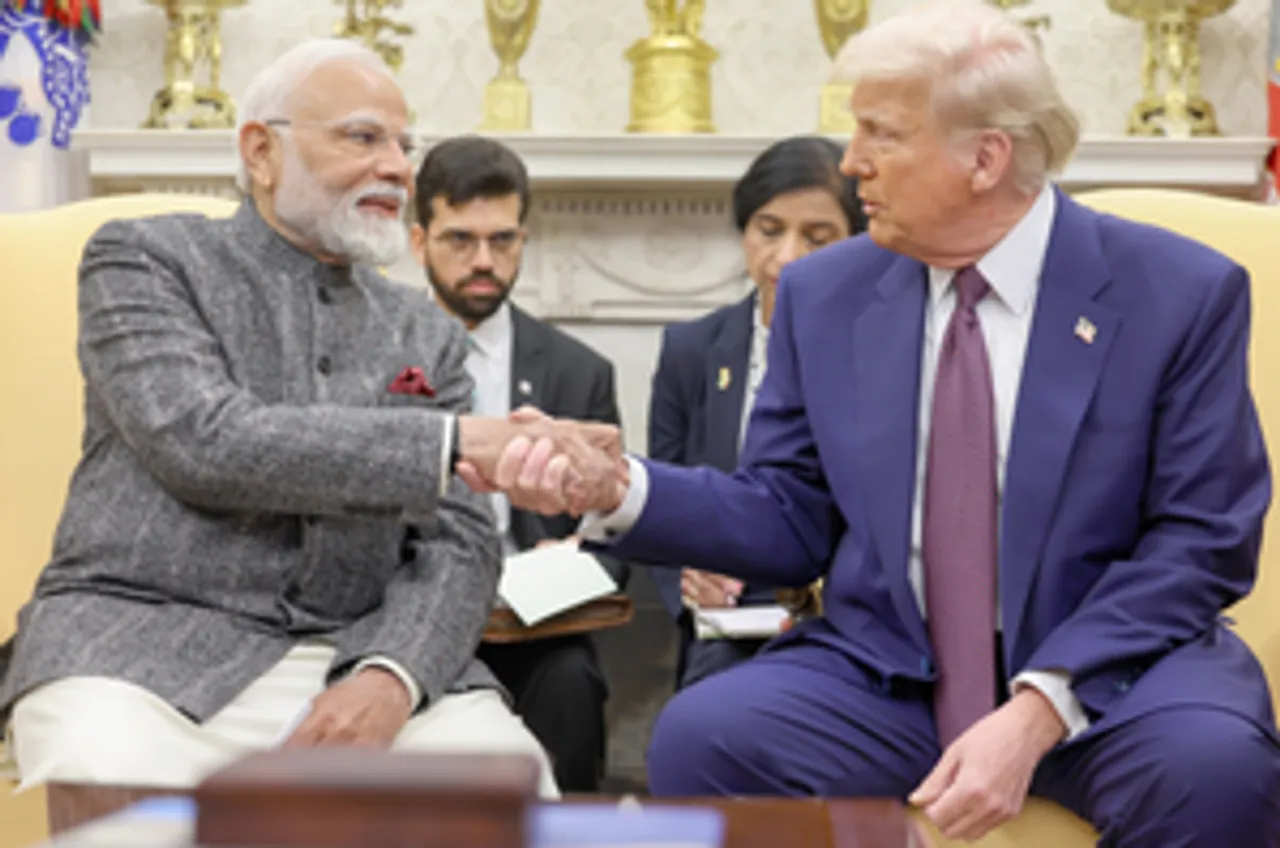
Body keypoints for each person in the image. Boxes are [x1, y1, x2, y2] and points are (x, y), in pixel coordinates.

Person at [497, 2, 1280, 842]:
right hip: (892, 675)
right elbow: (787, 512)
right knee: (706, 735)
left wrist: (1041, 705)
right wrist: (623, 488)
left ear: (985, 157)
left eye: (881, 134)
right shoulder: (826, 294)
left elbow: (1201, 539)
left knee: (1216, 772)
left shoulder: (1176, 291)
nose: (851, 162)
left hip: (1115, 677)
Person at [0, 39, 617, 798]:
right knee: (108, 774)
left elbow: (458, 543)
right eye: (363, 137)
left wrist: (393, 677)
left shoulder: (423, 330)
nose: (397, 166)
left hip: (359, 653)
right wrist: (453, 441)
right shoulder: (146, 260)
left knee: (509, 783)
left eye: (403, 143)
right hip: (138, 649)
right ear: (260, 152)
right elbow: (204, 439)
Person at [410, 135, 626, 793]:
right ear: (419, 241)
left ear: (524, 239)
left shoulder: (576, 372)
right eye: (460, 240)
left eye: (503, 241)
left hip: (535, 624)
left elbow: (614, 534)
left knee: (572, 684)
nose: (484, 261)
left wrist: (576, 553)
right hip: (411, 613)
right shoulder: (380, 354)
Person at [647, 136, 866, 690]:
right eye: (769, 231)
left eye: (818, 238)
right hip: (729, 616)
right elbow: (660, 497)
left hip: (846, 612)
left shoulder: (882, 350)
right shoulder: (691, 350)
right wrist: (691, 579)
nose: (787, 257)